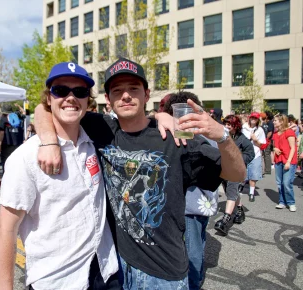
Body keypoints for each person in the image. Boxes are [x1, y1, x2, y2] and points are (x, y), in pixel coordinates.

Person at [35, 57, 246, 289]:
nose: (125, 96)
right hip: (117, 267)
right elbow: (45, 108)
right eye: (117, 90)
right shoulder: (102, 129)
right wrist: (48, 142)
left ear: (147, 94)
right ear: (108, 99)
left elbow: (236, 175)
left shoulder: (175, 137)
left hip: (163, 274)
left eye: (133, 89)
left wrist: (222, 136)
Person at [0, 62, 120, 290]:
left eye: (80, 92)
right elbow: (7, 230)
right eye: (61, 90)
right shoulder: (25, 158)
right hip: (57, 280)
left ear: (88, 100)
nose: (71, 98)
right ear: (48, 99)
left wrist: (165, 118)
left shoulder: (96, 140)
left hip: (106, 270)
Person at [163, 91, 219, 290]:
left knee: (192, 249)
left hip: (190, 205)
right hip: (206, 204)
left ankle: (193, 283)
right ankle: (197, 277)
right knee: (199, 242)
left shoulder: (186, 135)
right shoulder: (210, 134)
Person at [214, 115, 255, 236]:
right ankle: (240, 211)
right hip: (224, 169)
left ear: (235, 126)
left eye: (229, 124)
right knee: (230, 191)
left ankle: (225, 220)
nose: (227, 126)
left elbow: (250, 153)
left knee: (232, 191)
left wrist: (238, 159)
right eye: (225, 123)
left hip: (236, 170)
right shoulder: (223, 136)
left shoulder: (243, 139)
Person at [273, 114, 297, 212]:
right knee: (279, 183)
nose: (274, 122)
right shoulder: (275, 133)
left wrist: (288, 162)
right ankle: (282, 202)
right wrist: (275, 148)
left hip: (288, 160)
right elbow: (274, 146)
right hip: (278, 160)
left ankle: (291, 202)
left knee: (286, 183)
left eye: (276, 120)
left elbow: (293, 148)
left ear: (282, 121)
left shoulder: (289, 132)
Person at [241, 112, 266, 202]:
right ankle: (241, 186)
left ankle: (251, 193)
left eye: (255, 118)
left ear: (258, 120)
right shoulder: (243, 128)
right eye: (252, 118)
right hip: (244, 154)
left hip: (255, 154)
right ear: (249, 118)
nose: (253, 120)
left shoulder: (260, 130)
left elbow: (263, 145)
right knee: (243, 172)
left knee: (253, 175)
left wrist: (256, 140)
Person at [0, 103, 25, 173]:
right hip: (18, 143)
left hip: (7, 143)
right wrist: (19, 106)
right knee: (16, 161)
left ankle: (7, 178)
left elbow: (1, 132)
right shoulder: (18, 116)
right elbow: (25, 113)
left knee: (6, 162)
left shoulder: (3, 118)